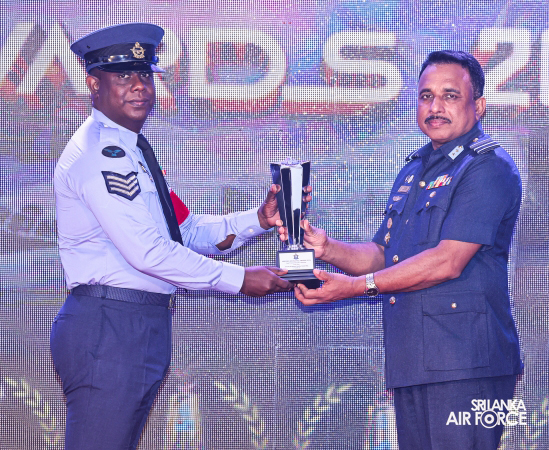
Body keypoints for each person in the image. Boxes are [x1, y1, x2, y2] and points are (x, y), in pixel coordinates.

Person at [51, 23, 300, 449]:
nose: (139, 87)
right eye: (123, 76)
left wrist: (259, 219)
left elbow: (184, 231)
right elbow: (148, 252)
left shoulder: (133, 151)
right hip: (110, 327)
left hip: (133, 326)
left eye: (144, 75)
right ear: (93, 84)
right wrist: (240, 279)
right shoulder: (100, 154)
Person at [288, 50, 522, 449]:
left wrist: (355, 287)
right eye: (426, 96)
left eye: (450, 95)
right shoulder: (414, 169)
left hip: (469, 368)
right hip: (414, 362)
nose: (435, 107)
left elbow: (448, 261)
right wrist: (325, 248)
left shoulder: (489, 167)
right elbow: (384, 253)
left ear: (479, 106)